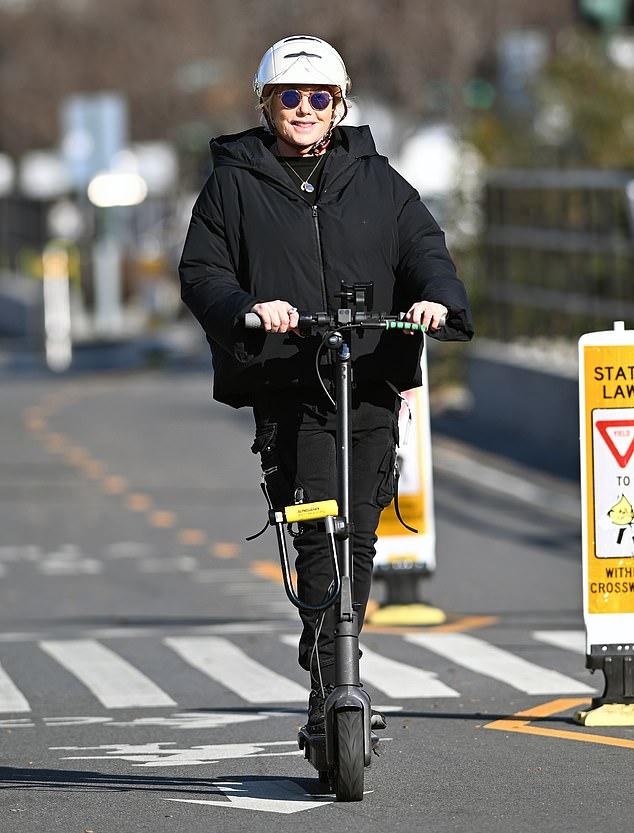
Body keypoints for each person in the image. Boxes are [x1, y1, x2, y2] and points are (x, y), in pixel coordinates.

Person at [179, 34, 474, 732]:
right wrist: (248, 310)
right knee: (317, 531)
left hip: (369, 375)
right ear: (265, 104)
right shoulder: (233, 182)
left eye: (319, 97)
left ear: (340, 104)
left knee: (362, 533)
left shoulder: (379, 181)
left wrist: (435, 299)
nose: (305, 109)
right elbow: (203, 272)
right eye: (290, 97)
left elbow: (425, 252)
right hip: (291, 382)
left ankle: (342, 661)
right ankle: (327, 673)